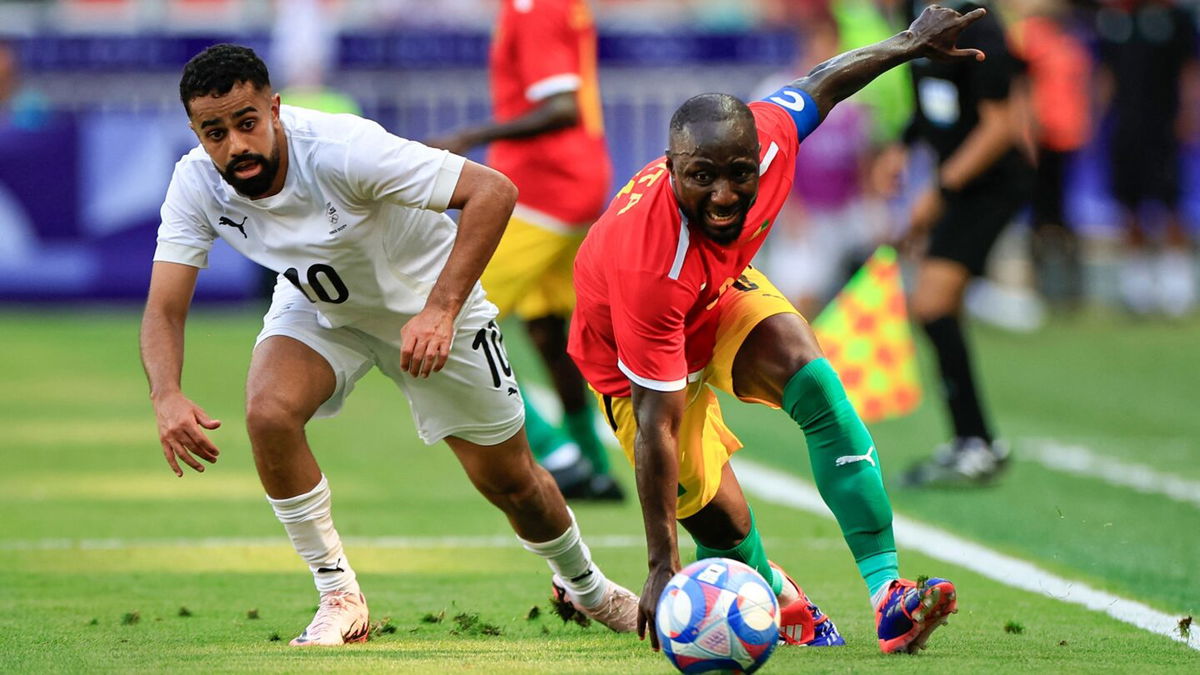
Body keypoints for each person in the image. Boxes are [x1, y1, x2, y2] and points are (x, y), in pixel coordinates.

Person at [139, 44, 637, 647]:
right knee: (269, 413)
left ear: (274, 109)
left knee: (513, 484)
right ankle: (339, 595)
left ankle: (589, 589)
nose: (236, 146)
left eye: (247, 123)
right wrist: (165, 394)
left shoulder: (344, 149)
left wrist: (442, 309)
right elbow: (164, 306)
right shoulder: (196, 181)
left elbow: (494, 191)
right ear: (195, 131)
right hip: (323, 309)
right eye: (214, 132)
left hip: (431, 308)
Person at [568, 4, 984, 654]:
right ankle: (775, 591)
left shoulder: (768, 135)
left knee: (812, 377)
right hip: (635, 361)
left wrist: (909, 42)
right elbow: (659, 421)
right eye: (701, 177)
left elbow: (824, 80)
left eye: (739, 173)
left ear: (757, 155)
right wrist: (659, 563)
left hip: (718, 296)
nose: (726, 194)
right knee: (726, 529)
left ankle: (889, 597)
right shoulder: (649, 263)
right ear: (672, 168)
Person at [428, 0, 622, 501]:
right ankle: (593, 463)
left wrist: (470, 135)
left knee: (451, 313)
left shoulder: (531, 7)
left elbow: (561, 107)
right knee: (548, 328)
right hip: (576, 182)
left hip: (542, 190)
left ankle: (557, 455)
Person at [896, 0, 1033, 487]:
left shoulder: (978, 21)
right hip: (958, 186)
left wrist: (939, 193)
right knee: (937, 308)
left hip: (991, 185)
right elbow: (929, 100)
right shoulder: (914, 11)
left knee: (932, 303)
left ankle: (974, 444)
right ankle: (975, 442)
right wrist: (900, 145)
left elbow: (1001, 126)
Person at [1095, 0, 1199, 317]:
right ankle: (1137, 289)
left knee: (1169, 203)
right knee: (1129, 205)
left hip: (1164, 127)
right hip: (1125, 127)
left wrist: (1189, 113)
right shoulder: (1113, 19)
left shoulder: (1176, 19)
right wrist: (1095, 117)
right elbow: (1105, 73)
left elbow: (1189, 70)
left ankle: (1177, 288)